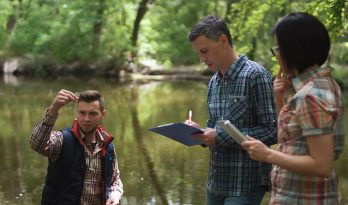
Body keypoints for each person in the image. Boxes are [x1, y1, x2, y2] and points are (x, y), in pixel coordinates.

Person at [242, 12, 345, 205]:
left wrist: (267, 154)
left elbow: (322, 165)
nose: (277, 55)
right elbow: (292, 138)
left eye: (278, 49)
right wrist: (280, 97)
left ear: (294, 50)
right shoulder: (324, 85)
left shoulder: (311, 95)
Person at [186, 15, 278, 205]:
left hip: (245, 184)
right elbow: (214, 128)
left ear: (223, 41)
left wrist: (218, 136)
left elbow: (272, 131)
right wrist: (199, 133)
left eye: (205, 51)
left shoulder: (256, 75)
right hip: (215, 183)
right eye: (198, 54)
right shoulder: (213, 82)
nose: (202, 59)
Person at [29, 89, 123, 205]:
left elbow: (115, 180)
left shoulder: (108, 147)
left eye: (92, 113)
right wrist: (54, 109)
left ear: (102, 115)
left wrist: (115, 194)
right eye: (82, 113)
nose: (86, 119)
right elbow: (36, 144)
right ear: (77, 113)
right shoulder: (62, 140)